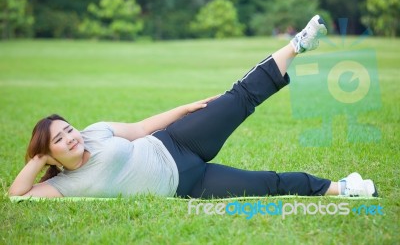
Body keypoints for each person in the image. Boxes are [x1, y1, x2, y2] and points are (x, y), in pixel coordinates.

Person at [9, 15, 378, 199]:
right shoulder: (64, 187)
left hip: (176, 141)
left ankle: (299, 43)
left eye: (67, 128)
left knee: (237, 98)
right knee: (266, 183)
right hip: (188, 183)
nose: (72, 137)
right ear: (49, 155)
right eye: (60, 139)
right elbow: (16, 197)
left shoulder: (95, 133)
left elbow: (139, 129)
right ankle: (343, 188)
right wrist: (40, 159)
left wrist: (183, 108)